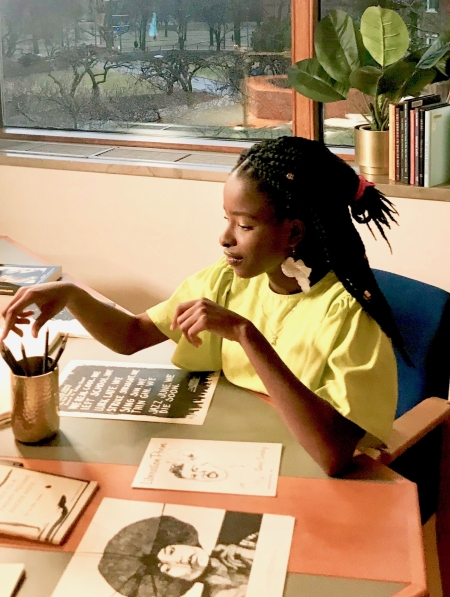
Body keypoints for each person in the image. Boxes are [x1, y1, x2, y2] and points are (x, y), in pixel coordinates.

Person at [1, 136, 403, 476]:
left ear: (294, 232)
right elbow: (132, 335)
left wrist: (247, 335)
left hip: (310, 475)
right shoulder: (225, 280)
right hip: (238, 447)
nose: (225, 238)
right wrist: (73, 294)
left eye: (244, 226)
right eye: (226, 220)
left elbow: (333, 456)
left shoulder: (349, 315)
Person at [98, 513, 260, 597]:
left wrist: (252, 553)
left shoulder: (240, 528)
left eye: (171, 551)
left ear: (180, 540)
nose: (179, 561)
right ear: (171, 581)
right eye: (167, 568)